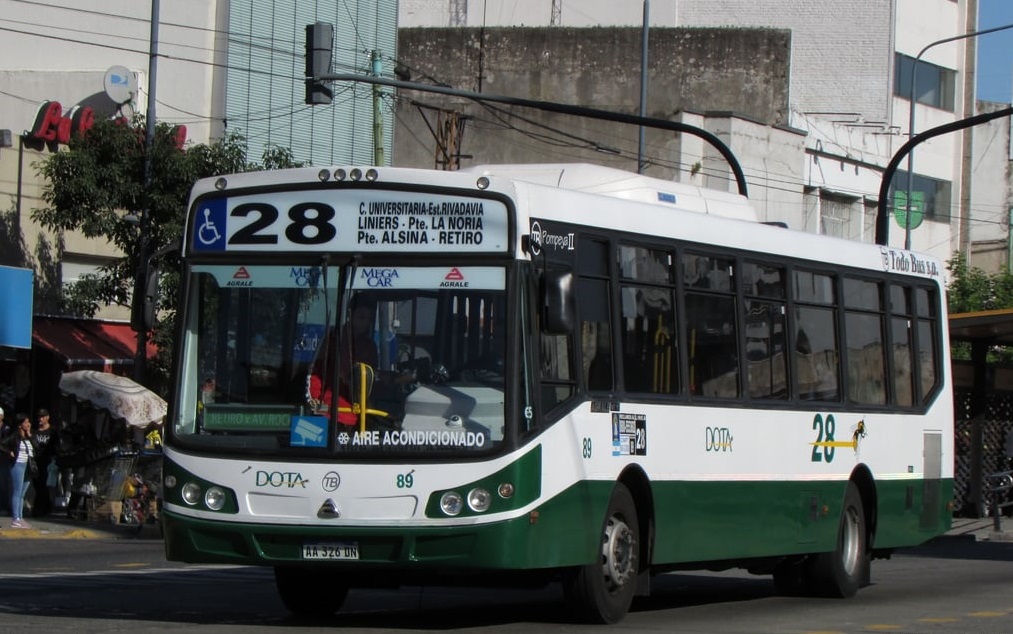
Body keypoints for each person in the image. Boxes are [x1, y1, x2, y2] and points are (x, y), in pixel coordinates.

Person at [1, 413, 38, 528]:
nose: (28, 424)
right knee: (16, 492)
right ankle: (15, 518)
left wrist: (30, 435)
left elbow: (37, 447)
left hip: (28, 465)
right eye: (26, 422)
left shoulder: (28, 436)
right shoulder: (14, 436)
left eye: (28, 422)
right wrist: (9, 452)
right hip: (18, 464)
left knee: (22, 493)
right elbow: (2, 444)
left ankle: (20, 517)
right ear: (19, 425)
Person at [31, 408, 59, 517]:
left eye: (42, 417)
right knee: (37, 484)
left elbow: (56, 447)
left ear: (47, 417)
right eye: (39, 417)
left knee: (44, 484)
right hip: (36, 461)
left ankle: (40, 508)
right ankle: (47, 506)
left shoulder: (52, 431)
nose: (40, 419)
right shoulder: (34, 431)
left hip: (48, 461)